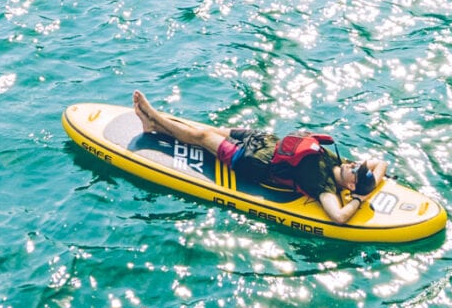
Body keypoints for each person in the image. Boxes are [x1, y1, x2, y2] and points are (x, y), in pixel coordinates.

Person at [130, 92, 387, 223]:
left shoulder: (324, 186)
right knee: (208, 130)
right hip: (264, 140)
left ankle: (155, 116)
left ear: (350, 185)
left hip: (250, 161)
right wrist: (368, 182)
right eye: (357, 164)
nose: (354, 163)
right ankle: (153, 126)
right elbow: (381, 163)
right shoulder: (337, 163)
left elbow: (339, 217)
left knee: (200, 136)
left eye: (355, 170)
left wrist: (357, 200)